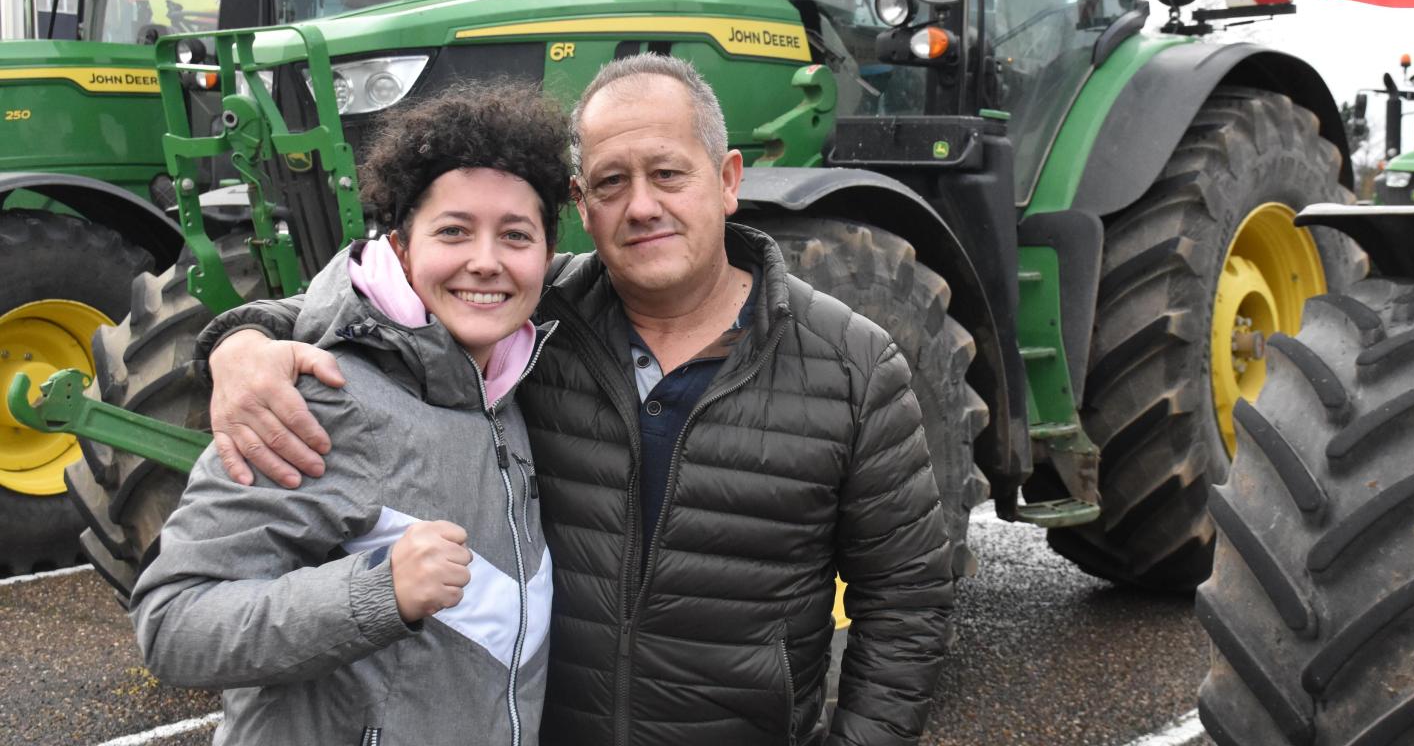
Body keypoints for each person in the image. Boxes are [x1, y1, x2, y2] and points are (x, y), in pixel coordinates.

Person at [199, 53, 954, 745]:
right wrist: (243, 342)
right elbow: (377, 301)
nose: (642, 207)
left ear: (727, 180)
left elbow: (906, 600)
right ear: (582, 205)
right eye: (611, 183)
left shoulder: (853, 367)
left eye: (668, 174)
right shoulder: (529, 315)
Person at [131, 84, 570, 746]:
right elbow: (173, 621)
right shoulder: (319, 394)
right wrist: (376, 594)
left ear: (546, 256)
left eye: (516, 235)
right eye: (453, 231)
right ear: (400, 246)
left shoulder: (511, 380)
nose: (486, 260)